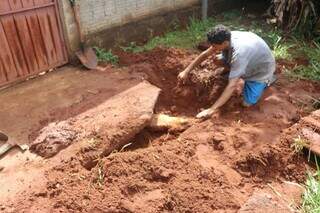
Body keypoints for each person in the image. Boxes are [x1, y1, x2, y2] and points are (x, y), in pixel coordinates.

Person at [178, 24, 276, 119]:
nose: (213, 48)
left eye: (215, 46)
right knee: (217, 59)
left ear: (225, 43)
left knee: (246, 104)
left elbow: (232, 86)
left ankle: (267, 80)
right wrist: (186, 71)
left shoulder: (239, 54)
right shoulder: (226, 36)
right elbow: (205, 54)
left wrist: (211, 109)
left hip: (260, 71)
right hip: (249, 58)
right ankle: (235, 71)